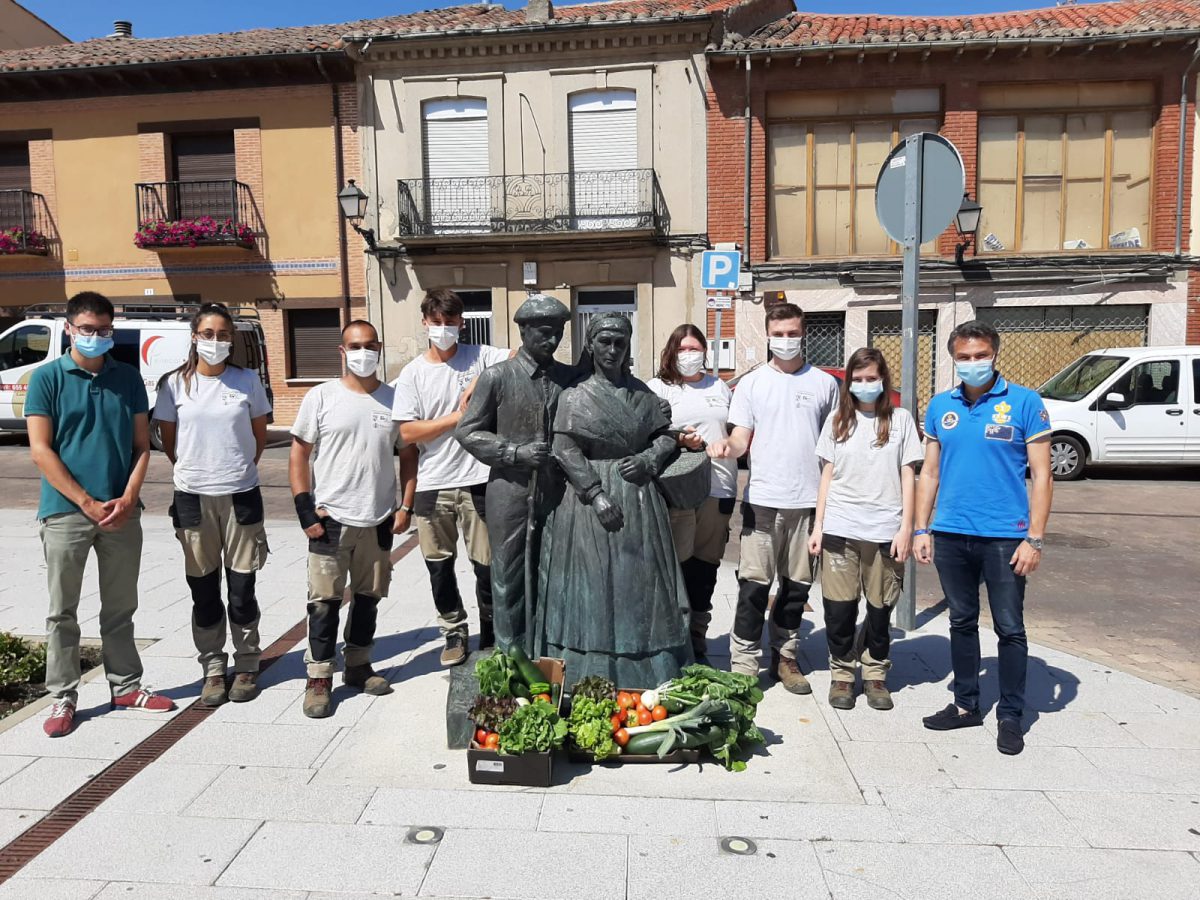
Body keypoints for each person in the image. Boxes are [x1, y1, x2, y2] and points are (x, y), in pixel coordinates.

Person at [25, 291, 176, 738]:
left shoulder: (127, 378)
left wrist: (129, 496)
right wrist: (86, 502)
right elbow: (39, 450)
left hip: (121, 512)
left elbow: (142, 446)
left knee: (120, 606)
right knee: (62, 611)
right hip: (65, 513)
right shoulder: (46, 378)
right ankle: (63, 697)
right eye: (87, 328)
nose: (95, 336)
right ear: (70, 328)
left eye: (104, 329)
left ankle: (126, 686)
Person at [914, 320, 1053, 756]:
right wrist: (922, 527)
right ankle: (965, 704)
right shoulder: (941, 406)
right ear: (953, 359)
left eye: (980, 355)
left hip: (1005, 538)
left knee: (1010, 627)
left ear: (995, 354)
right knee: (961, 621)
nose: (973, 363)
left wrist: (1035, 539)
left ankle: (1011, 715)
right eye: (964, 357)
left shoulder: (1025, 403)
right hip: (952, 534)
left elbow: (1044, 475)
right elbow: (929, 473)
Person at [535, 313, 693, 686]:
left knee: (640, 587)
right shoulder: (576, 395)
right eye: (604, 342)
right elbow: (564, 447)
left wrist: (649, 459)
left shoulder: (642, 394)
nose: (612, 350)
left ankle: (647, 669)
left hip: (638, 499)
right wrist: (595, 493)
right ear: (590, 345)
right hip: (589, 505)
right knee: (592, 586)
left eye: (619, 343)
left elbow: (666, 436)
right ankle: (586, 672)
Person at [290, 320, 414, 718]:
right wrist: (305, 510)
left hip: (377, 520)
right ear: (342, 352)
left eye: (370, 345)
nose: (363, 353)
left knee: (368, 600)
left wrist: (405, 505)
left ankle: (358, 666)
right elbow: (298, 454)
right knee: (324, 604)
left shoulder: (395, 400)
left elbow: (408, 455)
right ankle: (320, 677)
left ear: (379, 349)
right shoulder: (321, 398)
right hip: (331, 520)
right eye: (354, 346)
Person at [711, 302, 838, 692]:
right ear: (768, 335)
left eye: (792, 333)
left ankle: (786, 657)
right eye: (778, 334)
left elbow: (834, 447)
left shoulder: (824, 384)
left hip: (806, 503)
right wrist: (726, 448)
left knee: (796, 588)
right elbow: (740, 438)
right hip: (763, 502)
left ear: (804, 334)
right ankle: (745, 663)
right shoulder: (752, 384)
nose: (786, 341)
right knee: (753, 586)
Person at [154, 303, 272, 707]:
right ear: (194, 336)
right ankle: (212, 667)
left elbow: (259, 437)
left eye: (223, 335)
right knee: (203, 590)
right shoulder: (173, 385)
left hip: (241, 496)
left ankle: (246, 664)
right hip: (192, 498)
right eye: (208, 334)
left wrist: (234, 469)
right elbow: (169, 442)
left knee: (242, 589)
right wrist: (197, 470)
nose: (216, 341)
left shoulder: (247, 381)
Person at [456, 294, 579, 653]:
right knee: (509, 575)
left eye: (558, 332)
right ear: (523, 331)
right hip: (509, 491)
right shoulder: (497, 377)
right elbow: (468, 431)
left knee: (554, 572)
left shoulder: (568, 378)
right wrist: (514, 452)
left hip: (557, 491)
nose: (552, 340)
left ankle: (549, 651)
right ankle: (512, 655)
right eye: (544, 332)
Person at [393, 289, 508, 667]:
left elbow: (521, 354)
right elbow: (407, 434)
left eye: (451, 322)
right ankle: (454, 632)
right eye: (436, 323)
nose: (443, 329)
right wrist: (456, 419)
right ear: (425, 322)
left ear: (462, 322)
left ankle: (490, 635)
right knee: (439, 566)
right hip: (433, 483)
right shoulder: (412, 374)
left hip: (478, 479)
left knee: (486, 565)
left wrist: (482, 380)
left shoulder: (480, 356)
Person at [808, 348, 922, 711]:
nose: (864, 385)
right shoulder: (837, 420)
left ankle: (875, 674)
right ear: (848, 382)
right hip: (841, 529)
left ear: (883, 379)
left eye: (871, 378)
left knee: (879, 609)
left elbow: (909, 474)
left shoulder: (901, 420)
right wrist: (818, 525)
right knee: (839, 611)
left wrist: (908, 528)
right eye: (857, 379)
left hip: (885, 531)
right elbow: (826, 475)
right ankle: (842, 674)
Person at [647, 325, 737, 664]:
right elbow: (645, 432)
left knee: (706, 567)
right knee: (677, 565)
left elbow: (737, 430)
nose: (690, 354)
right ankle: (675, 635)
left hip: (719, 486)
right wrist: (677, 438)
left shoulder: (720, 387)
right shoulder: (657, 388)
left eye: (696, 348)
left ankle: (698, 635)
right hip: (677, 489)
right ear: (672, 352)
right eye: (683, 349)